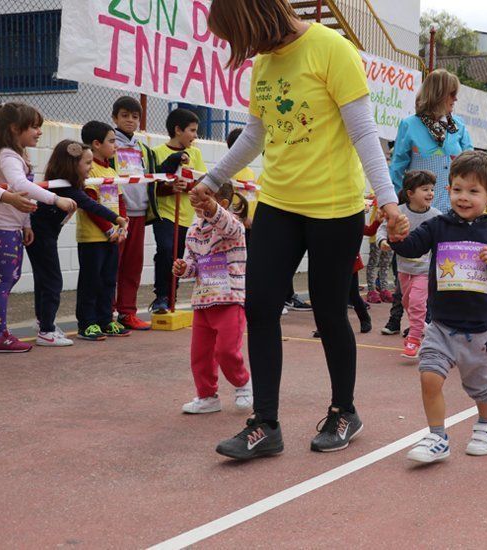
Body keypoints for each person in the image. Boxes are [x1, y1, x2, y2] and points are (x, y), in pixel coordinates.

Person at [193, 0, 405, 460]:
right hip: (278, 204)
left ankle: (343, 411)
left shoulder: (332, 48)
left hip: (334, 207)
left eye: (236, 35)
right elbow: (255, 134)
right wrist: (210, 180)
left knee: (330, 312)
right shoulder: (265, 63)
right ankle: (265, 424)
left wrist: (387, 200)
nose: (241, 48)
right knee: (261, 304)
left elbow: (364, 133)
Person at [389, 151, 487, 463]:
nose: (464, 197)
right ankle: (437, 436)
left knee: (481, 388)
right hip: (441, 325)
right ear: (448, 190)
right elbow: (411, 247)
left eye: (473, 191)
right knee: (429, 377)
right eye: (458, 189)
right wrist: (397, 238)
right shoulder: (438, 226)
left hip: (478, 329)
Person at [0, 103, 77, 352]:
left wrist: (25, 223)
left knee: (7, 277)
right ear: (15, 128)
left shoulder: (18, 154)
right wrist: (55, 199)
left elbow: (19, 193)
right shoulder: (8, 156)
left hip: (9, 225)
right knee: (4, 279)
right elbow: (19, 184)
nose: (39, 132)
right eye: (34, 127)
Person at [26, 140, 128, 347]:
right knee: (53, 282)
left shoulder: (68, 185)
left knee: (44, 280)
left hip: (47, 235)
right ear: (72, 165)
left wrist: (117, 218)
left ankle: (44, 323)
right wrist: (116, 219)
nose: (91, 167)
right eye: (88, 163)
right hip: (41, 236)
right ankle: (46, 330)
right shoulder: (64, 186)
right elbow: (91, 205)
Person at [173, 182, 252, 414]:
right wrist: (183, 268)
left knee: (226, 350)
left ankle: (243, 384)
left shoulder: (233, 225)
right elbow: (192, 264)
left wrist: (211, 208)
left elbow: (226, 224)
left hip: (230, 299)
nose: (199, 203)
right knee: (200, 354)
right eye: (197, 198)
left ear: (223, 204)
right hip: (203, 300)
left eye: (206, 197)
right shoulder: (193, 230)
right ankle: (207, 396)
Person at [75, 121, 131, 341]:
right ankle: (87, 323)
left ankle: (106, 319)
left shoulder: (111, 169)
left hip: (113, 236)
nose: (115, 145)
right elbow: (91, 205)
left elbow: (119, 199)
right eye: (111, 141)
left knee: (109, 279)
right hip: (93, 238)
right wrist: (109, 229)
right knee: (91, 280)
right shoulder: (90, 170)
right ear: (96, 144)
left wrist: (123, 225)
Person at [390, 69, 473, 213]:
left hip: (453, 213)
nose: (456, 99)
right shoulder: (409, 125)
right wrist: (395, 203)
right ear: (438, 94)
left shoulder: (458, 126)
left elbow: (471, 165)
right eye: (452, 94)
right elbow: (396, 169)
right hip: (418, 213)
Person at [377, 170, 441, 358]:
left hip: (424, 270)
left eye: (432, 189)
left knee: (416, 302)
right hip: (403, 268)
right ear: (410, 193)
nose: (430, 193)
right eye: (425, 189)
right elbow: (383, 228)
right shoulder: (399, 212)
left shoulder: (436, 216)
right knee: (407, 301)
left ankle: (413, 340)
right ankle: (427, 329)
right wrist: (383, 242)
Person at [149, 108, 207, 313]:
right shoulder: (156, 152)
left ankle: (172, 296)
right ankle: (161, 297)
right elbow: (152, 187)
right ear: (178, 130)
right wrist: (169, 188)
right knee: (165, 249)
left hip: (185, 216)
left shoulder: (196, 153)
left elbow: (202, 182)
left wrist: (188, 187)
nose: (195, 135)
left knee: (177, 257)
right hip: (164, 213)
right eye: (192, 130)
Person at [111, 96, 156, 331]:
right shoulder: (110, 144)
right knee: (112, 264)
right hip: (116, 213)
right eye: (125, 116)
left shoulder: (142, 148)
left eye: (135, 116)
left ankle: (127, 312)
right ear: (115, 118)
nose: (130, 120)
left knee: (132, 265)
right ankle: (106, 312)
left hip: (138, 213)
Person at [364, 200, 394, 304]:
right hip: (376, 236)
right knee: (373, 263)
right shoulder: (380, 194)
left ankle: (384, 289)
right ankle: (371, 290)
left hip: (390, 236)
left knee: (385, 263)